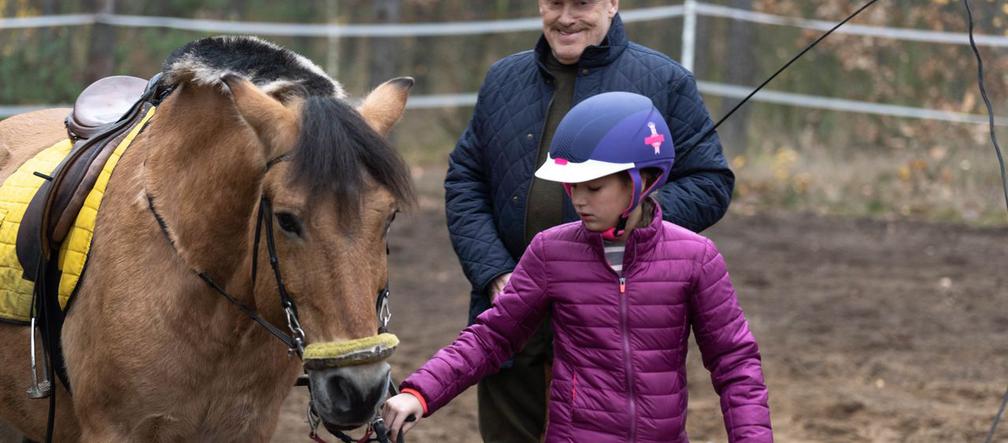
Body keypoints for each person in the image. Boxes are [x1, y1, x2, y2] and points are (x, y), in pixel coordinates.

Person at [386, 92, 771, 442]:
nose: (579, 201)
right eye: (572, 187)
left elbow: (734, 361)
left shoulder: (696, 257)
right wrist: (420, 392)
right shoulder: (550, 252)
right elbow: (492, 337)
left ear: (643, 180)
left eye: (594, 187)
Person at [443, 1, 735, 441]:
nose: (565, 17)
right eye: (553, 3)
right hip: (511, 314)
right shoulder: (503, 79)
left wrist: (636, 224)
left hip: (608, 318)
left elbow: (711, 181)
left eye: (581, 3)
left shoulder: (665, 81)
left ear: (612, 3)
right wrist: (494, 271)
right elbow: (465, 180)